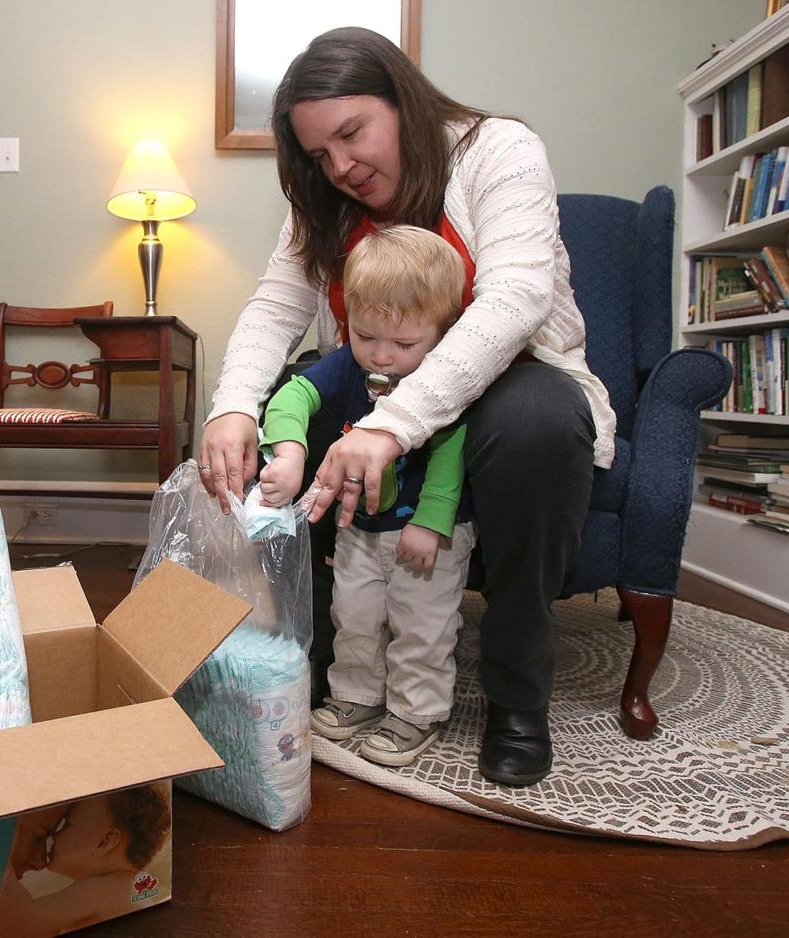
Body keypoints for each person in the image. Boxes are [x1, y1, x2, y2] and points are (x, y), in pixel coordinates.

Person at [198, 27, 615, 787]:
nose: (342, 167)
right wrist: (233, 409)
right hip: (375, 387)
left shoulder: (497, 150)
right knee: (289, 409)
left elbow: (516, 299)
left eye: (352, 135)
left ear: (405, 99)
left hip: (504, 384)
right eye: (320, 155)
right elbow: (275, 308)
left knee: (535, 425)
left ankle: (518, 695)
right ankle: (328, 667)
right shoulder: (324, 202)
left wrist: (392, 425)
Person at [258, 225, 475, 766]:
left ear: (444, 333)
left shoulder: (445, 373)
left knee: (421, 623)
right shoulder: (350, 363)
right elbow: (292, 397)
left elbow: (451, 452)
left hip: (428, 531)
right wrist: (288, 453)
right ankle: (356, 696)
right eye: (366, 337)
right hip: (360, 529)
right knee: (352, 615)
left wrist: (432, 521)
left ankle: (416, 712)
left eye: (404, 344)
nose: (381, 357)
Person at [0, 786, 171, 936]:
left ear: (104, 842)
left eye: (67, 825)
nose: (55, 835)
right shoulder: (127, 885)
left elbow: (17, 923)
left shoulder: (108, 889)